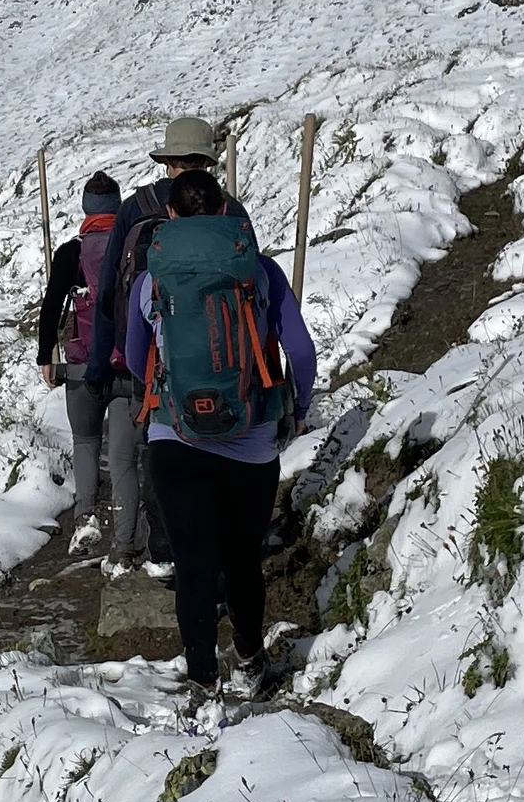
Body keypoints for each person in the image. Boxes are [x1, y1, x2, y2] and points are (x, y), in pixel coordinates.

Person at [123, 166, 315, 713]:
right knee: (242, 560)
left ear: (173, 216)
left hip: (175, 441)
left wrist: (169, 391)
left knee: (194, 564)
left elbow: (138, 360)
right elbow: (300, 352)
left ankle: (204, 683)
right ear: (224, 209)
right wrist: (295, 409)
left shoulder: (151, 278)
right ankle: (252, 658)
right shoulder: (259, 270)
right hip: (252, 442)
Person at [89, 114, 254, 577]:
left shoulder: (136, 208)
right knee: (218, 450)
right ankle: (218, 555)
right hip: (226, 363)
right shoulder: (232, 213)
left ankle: (163, 551)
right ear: (209, 164)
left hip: (154, 366)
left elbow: (107, 294)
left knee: (157, 456)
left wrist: (105, 365)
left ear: (168, 164)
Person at [36, 171, 130, 555]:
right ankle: (125, 545)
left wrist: (46, 357)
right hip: (129, 363)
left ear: (86, 209)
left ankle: (86, 518)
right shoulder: (134, 246)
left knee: (87, 442)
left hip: (82, 365)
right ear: (118, 206)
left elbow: (51, 307)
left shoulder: (71, 253)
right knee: (125, 457)